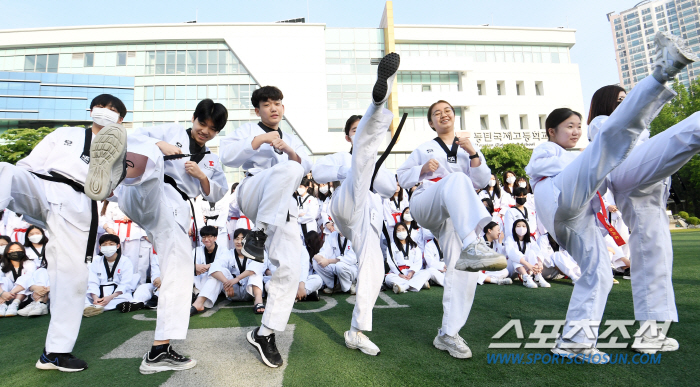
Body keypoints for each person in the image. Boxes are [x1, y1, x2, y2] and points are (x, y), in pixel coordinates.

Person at [525, 31, 696, 362]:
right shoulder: (572, 141)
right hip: (562, 194)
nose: (575, 131)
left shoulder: (584, 155)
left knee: (604, 272)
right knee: (677, 131)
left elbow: (605, 169)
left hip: (577, 217)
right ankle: (664, 69)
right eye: (569, 126)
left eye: (577, 125)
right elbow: (613, 141)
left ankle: (580, 341)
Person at [0, 93, 128, 371]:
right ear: (91, 109)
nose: (105, 111)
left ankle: (55, 352)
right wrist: (20, 187)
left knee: (72, 277)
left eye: (113, 110)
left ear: (120, 121)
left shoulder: (121, 151)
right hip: (43, 186)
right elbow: (30, 164)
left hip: (79, 204)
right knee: (5, 170)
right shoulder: (64, 133)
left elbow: (115, 191)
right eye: (101, 106)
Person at [113, 98, 228, 373]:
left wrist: (202, 176)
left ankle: (160, 348)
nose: (205, 131)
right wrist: (160, 146)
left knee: (178, 272)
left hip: (173, 208)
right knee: (151, 155)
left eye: (212, 129)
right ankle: (111, 175)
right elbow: (133, 136)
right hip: (145, 191)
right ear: (193, 119)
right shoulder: (170, 131)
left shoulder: (211, 159)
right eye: (202, 123)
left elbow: (218, 192)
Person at [587, 79, 700, 353]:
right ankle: (649, 335)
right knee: (691, 128)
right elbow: (618, 139)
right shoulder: (600, 122)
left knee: (656, 258)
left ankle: (652, 333)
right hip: (629, 174)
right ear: (607, 104)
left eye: (628, 99)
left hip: (649, 193)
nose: (625, 104)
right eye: (620, 100)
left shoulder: (637, 126)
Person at [397, 98, 505, 359]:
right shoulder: (424, 148)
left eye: (448, 111)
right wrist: (422, 169)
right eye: (437, 113)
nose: (443, 115)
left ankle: (448, 334)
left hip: (456, 217)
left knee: (465, 270)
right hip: (426, 203)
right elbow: (401, 177)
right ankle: (477, 241)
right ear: (431, 123)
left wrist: (474, 154)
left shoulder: (467, 146)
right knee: (456, 179)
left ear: (454, 117)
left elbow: (479, 182)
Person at [311, 53, 400, 356]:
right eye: (354, 131)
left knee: (374, 267)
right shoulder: (341, 156)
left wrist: (369, 170)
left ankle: (357, 330)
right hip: (346, 207)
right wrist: (351, 170)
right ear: (348, 136)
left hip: (368, 223)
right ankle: (378, 103)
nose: (357, 134)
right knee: (360, 162)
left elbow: (390, 188)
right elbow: (319, 172)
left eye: (361, 130)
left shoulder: (375, 162)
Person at [219, 85, 312, 368]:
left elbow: (307, 165)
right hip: (253, 191)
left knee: (289, 269)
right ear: (257, 109)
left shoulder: (292, 136)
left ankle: (265, 332)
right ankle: (256, 235)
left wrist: (290, 150)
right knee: (290, 169)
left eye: (278, 103)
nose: (274, 108)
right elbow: (227, 156)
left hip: (284, 207)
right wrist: (260, 139)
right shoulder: (247, 130)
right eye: (267, 104)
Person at [191, 228, 264, 314]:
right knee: (221, 271)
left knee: (255, 273)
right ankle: (198, 304)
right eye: (237, 238)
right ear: (233, 240)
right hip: (231, 291)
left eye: (242, 239)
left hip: (250, 292)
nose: (239, 241)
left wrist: (236, 279)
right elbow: (215, 266)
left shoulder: (257, 252)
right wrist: (226, 282)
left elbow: (254, 268)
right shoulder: (228, 253)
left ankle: (258, 302)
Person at [83, 234, 136, 317]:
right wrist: (95, 298)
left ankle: (94, 308)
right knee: (82, 294)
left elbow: (125, 283)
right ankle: (95, 305)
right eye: (104, 245)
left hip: (116, 295)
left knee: (127, 298)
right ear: (100, 248)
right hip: (99, 293)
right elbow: (93, 282)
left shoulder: (125, 261)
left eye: (111, 244)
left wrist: (110, 297)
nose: (107, 247)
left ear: (118, 246)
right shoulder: (96, 261)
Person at [385, 223, 430, 293]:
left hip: (411, 272)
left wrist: (411, 272)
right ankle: (417, 283)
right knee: (388, 278)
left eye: (403, 229)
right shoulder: (391, 246)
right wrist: (400, 274)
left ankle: (404, 287)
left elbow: (418, 261)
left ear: (407, 231)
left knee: (426, 272)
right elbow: (391, 262)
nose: (401, 232)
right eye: (398, 230)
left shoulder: (414, 245)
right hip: (398, 273)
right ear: (395, 233)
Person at [504, 219, 550, 289]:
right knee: (516, 257)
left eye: (524, 226)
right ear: (514, 228)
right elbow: (511, 253)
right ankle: (525, 278)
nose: (521, 228)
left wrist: (540, 263)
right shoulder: (510, 239)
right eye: (518, 226)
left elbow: (537, 251)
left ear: (527, 228)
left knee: (531, 252)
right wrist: (529, 265)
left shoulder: (530, 239)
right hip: (513, 269)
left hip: (528, 268)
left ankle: (537, 276)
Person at [312, 229, 358, 294]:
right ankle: (335, 285)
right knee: (316, 263)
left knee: (340, 266)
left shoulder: (354, 236)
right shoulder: (333, 235)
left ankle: (351, 284)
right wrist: (317, 256)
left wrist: (328, 261)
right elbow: (324, 251)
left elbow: (352, 259)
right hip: (336, 265)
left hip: (352, 267)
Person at [191, 226, 227, 303]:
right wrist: (195, 267)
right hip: (200, 280)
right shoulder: (196, 250)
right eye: (204, 237)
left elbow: (222, 262)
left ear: (215, 238)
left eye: (210, 237)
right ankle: (195, 294)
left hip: (217, 283)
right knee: (189, 271)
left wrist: (208, 266)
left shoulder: (223, 250)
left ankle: (199, 297)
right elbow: (189, 263)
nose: (206, 240)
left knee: (218, 272)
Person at [0, 242, 38, 317]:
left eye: (18, 249)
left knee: (25, 278)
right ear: (7, 253)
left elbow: (30, 277)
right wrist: (2, 293)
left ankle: (15, 304)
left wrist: (11, 293)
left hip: (24, 295)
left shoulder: (29, 263)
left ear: (23, 251)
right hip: (5, 295)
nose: (15, 252)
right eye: (11, 250)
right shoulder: (2, 264)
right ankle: (2, 305)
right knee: (3, 279)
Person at [477, 221, 511, 286]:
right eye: (498, 230)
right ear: (489, 230)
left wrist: (500, 242)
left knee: (505, 271)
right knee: (472, 273)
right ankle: (496, 281)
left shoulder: (496, 242)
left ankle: (485, 278)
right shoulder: (479, 241)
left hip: (487, 270)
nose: (499, 232)